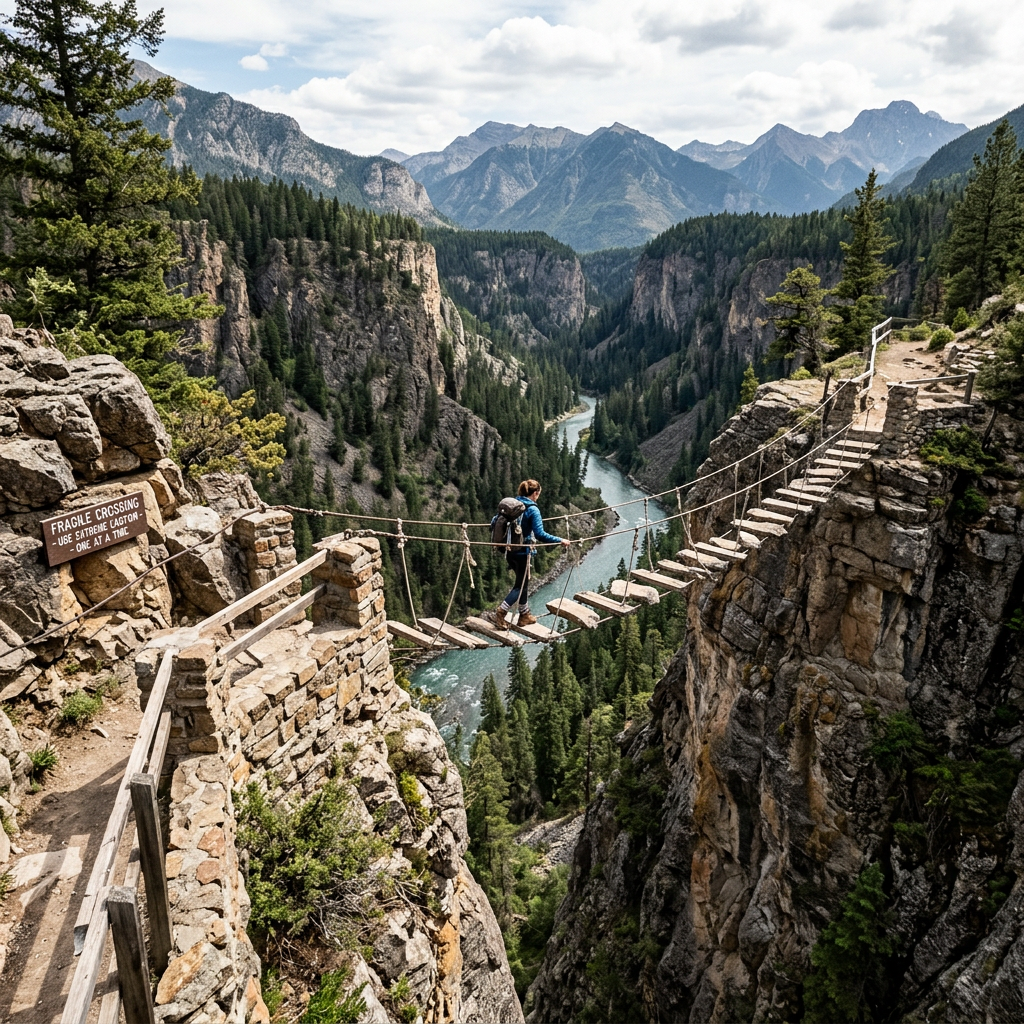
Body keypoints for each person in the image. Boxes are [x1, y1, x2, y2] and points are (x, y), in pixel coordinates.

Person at [494, 479, 570, 630]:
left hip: (509, 551)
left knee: (524, 582)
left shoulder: (512, 505)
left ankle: (524, 615)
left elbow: (494, 522)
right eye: (538, 494)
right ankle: (501, 612)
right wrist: (560, 540)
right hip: (523, 552)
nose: (538, 497)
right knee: (520, 586)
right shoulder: (533, 509)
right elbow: (540, 534)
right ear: (535, 493)